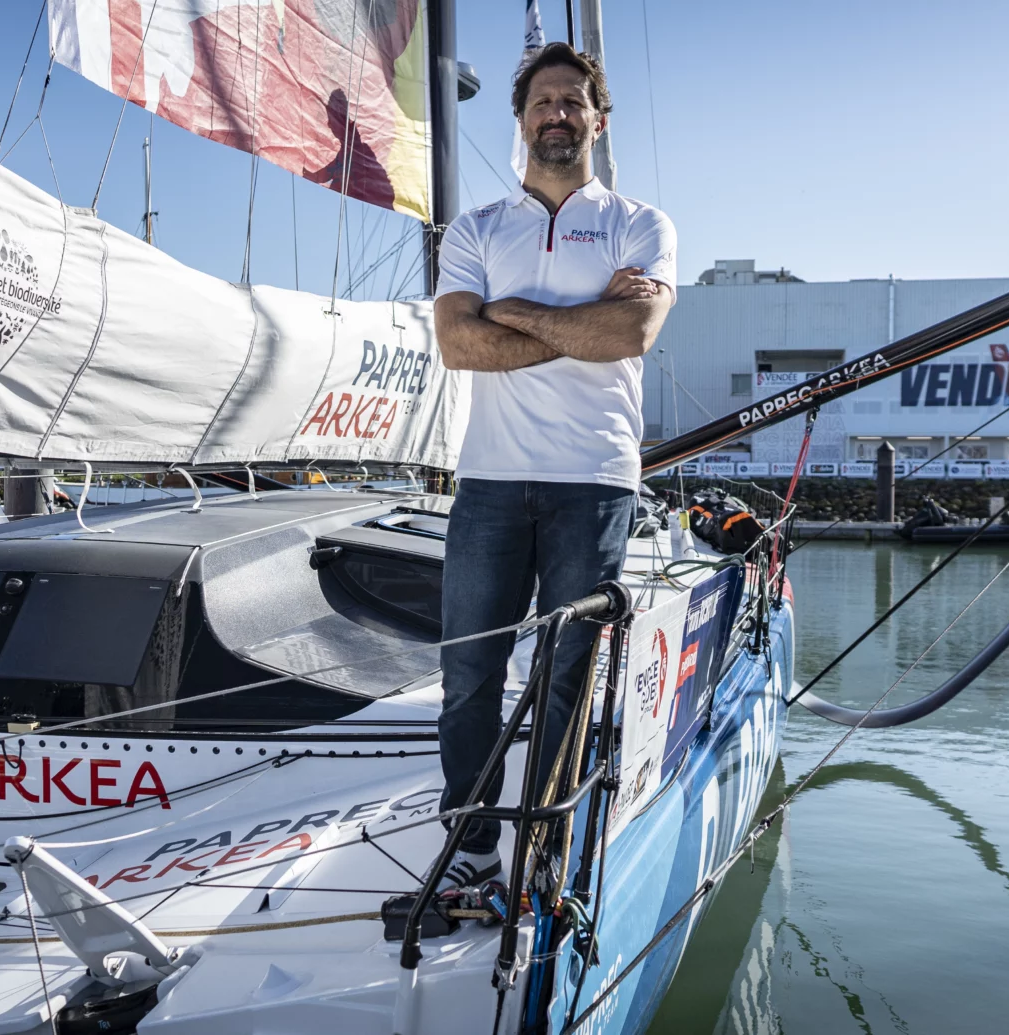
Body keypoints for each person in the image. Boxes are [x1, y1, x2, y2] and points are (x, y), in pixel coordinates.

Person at [431, 41, 677, 889]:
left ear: (597, 122)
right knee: (468, 676)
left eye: (574, 101)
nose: (558, 114)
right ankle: (470, 852)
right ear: (522, 119)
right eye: (544, 102)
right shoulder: (477, 228)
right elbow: (459, 345)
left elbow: (630, 335)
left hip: (595, 481)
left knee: (565, 674)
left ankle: (542, 852)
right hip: (491, 483)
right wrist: (577, 320)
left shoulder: (640, 224)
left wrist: (515, 313)